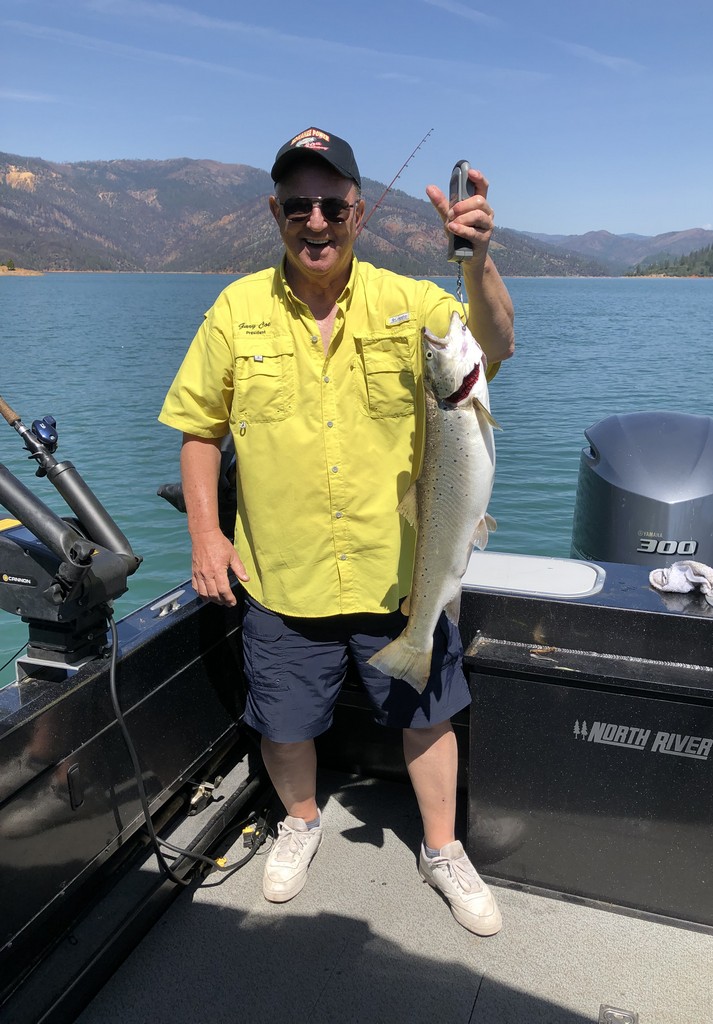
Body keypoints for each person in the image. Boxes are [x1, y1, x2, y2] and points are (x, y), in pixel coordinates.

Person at [159, 127, 514, 936]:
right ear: (275, 212)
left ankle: (441, 849)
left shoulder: (414, 303)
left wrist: (476, 261)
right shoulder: (235, 309)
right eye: (297, 205)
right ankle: (301, 823)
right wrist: (206, 539)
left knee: (427, 716)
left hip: (402, 574)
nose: (314, 221)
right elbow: (196, 430)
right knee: (283, 726)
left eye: (330, 204)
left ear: (359, 210)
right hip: (281, 577)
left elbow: (492, 345)